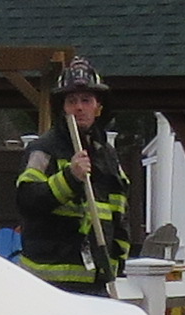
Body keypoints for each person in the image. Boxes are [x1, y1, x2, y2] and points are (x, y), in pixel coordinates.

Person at [8, 58, 132, 292]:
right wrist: (69, 178)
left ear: (98, 107)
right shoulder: (43, 150)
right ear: (62, 108)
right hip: (48, 284)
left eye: (86, 100)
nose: (79, 108)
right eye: (72, 101)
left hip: (98, 283)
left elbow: (120, 216)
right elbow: (27, 200)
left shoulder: (107, 156)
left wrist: (116, 263)